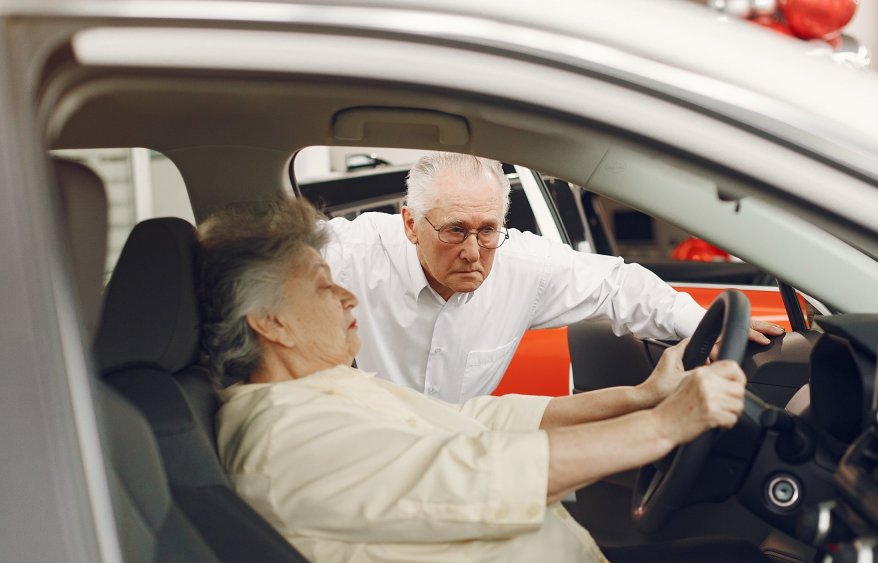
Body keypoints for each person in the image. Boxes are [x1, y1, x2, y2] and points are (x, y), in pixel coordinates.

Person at [198, 196, 767, 563]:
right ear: (269, 321)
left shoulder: (321, 391)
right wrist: (665, 426)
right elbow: (472, 477)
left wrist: (644, 398)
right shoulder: (283, 434)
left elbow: (476, 422)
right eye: (324, 286)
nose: (347, 294)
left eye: (488, 229)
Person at [324, 151, 783, 402]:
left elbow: (619, 285)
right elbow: (266, 256)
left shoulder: (524, 265)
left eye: (487, 231)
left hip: (460, 457)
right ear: (409, 224)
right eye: (454, 231)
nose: (472, 253)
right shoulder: (353, 253)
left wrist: (708, 327)